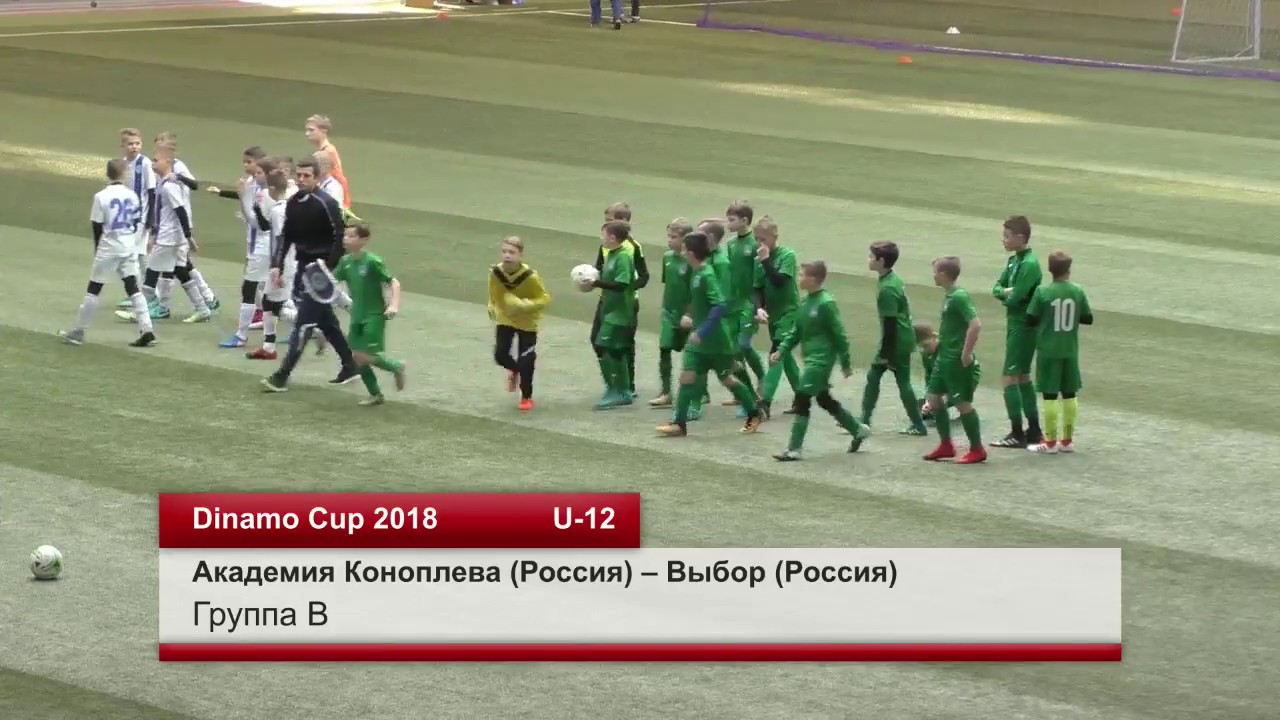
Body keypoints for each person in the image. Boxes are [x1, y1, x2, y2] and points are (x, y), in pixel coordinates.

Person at [260, 157, 358, 392]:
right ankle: (350, 365)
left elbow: (339, 237)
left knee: (303, 323)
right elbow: (286, 236)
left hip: (319, 271)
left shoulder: (325, 203)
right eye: (299, 175)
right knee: (326, 321)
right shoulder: (294, 203)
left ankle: (282, 375)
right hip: (303, 267)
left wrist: (328, 267)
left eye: (307, 176)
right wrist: (277, 265)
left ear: (316, 178)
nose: (302, 179)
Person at [656, 232, 765, 438]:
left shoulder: (707, 274)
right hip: (698, 341)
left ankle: (754, 412)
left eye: (685, 249)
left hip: (715, 340)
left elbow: (719, 305)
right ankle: (679, 423)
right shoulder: (696, 272)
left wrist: (703, 331)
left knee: (727, 379)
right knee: (687, 377)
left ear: (690, 253)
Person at [771, 261, 869, 461]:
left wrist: (845, 363)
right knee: (823, 399)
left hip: (822, 360)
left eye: (802, 275)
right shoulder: (805, 302)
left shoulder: (825, 303)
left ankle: (794, 449)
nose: (799, 278)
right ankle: (857, 429)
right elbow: (796, 331)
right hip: (811, 359)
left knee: (802, 397)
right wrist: (781, 351)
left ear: (813, 279)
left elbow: (840, 334)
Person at [60, 159, 156, 348]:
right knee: (133, 288)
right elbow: (135, 221)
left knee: (94, 289)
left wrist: (98, 249)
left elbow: (97, 226)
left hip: (109, 247)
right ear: (124, 174)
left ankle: (78, 331)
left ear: (108, 174)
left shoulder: (101, 197)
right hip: (129, 246)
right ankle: (147, 330)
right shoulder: (133, 196)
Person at [855, 241, 927, 446]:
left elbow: (890, 323)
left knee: (877, 377)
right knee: (898, 380)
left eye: (871, 257)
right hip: (903, 338)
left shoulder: (887, 288)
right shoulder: (892, 279)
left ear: (881, 261)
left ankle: (864, 421)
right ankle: (917, 425)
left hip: (895, 340)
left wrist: (885, 353)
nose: (868, 259)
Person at [1025, 250, 1093, 454]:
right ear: (1068, 269)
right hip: (1070, 349)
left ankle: (1050, 443)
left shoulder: (1043, 292)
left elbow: (1030, 319)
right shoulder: (1077, 291)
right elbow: (1088, 318)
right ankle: (1067, 441)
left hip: (1048, 350)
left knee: (1050, 396)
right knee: (1070, 394)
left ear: (1050, 269)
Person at [333, 224, 406, 406]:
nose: (345, 239)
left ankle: (397, 367)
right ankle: (376, 395)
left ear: (364, 240)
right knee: (358, 358)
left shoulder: (373, 261)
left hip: (374, 315)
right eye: (345, 235)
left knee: (363, 356)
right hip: (356, 314)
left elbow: (394, 282)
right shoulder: (345, 262)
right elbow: (333, 281)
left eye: (351, 236)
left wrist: (394, 305)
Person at [923, 257, 986, 465]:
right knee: (933, 398)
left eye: (935, 272)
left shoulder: (959, 297)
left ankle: (977, 449)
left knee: (962, 403)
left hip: (956, 360)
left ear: (943, 275)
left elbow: (975, 324)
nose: (933, 275)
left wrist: (966, 353)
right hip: (944, 357)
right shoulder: (949, 296)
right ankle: (946, 445)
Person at [206, 146, 270, 348]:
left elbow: (256, 221)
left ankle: (241, 336)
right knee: (269, 292)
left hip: (262, 246)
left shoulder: (265, 192)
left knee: (251, 289)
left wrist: (243, 206)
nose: (246, 166)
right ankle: (306, 324)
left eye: (249, 162)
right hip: (259, 245)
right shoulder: (256, 185)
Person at [991, 215, 1043, 448]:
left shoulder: (1029, 264)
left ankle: (1017, 433)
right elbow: (996, 288)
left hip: (1023, 326)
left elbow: (1016, 298)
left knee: (1010, 377)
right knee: (1022, 376)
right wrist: (1005, 292)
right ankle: (1034, 430)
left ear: (1021, 238)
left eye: (1007, 236)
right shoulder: (1014, 261)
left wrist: (1006, 294)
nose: (1003, 240)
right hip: (1016, 325)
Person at [489, 236, 552, 411]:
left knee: (526, 361)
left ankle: (526, 396)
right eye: (504, 251)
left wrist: (524, 305)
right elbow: (493, 292)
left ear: (520, 255)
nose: (507, 255)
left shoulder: (530, 277)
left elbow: (544, 298)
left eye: (512, 252)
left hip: (527, 321)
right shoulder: (496, 272)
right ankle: (515, 370)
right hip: (506, 318)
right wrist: (492, 306)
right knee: (500, 355)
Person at [583, 221, 637, 409]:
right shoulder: (612, 254)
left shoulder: (623, 257)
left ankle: (619, 390)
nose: (602, 238)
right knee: (608, 346)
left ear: (612, 238)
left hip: (620, 311)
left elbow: (622, 284)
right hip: (609, 309)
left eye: (603, 235)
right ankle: (618, 389)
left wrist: (596, 283)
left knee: (607, 346)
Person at [752, 216, 800, 418]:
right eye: (756, 239)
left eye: (763, 239)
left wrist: (765, 260)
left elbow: (779, 281)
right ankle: (803, 397)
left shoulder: (787, 255)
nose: (759, 243)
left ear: (775, 236)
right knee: (785, 356)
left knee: (776, 354)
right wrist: (758, 308)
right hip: (773, 315)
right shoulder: (759, 259)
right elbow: (757, 289)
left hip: (790, 313)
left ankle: (765, 402)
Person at [246, 169, 293, 360]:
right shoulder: (286, 207)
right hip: (286, 262)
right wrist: (257, 210)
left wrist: (277, 266)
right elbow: (267, 228)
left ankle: (313, 326)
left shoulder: (278, 210)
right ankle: (269, 346)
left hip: (283, 264)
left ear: (272, 189)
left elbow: (281, 239)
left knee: (275, 304)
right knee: (268, 301)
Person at [649, 218, 693, 409]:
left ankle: (700, 392)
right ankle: (666, 392)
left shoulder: (691, 261)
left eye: (673, 237)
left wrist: (690, 313)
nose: (669, 240)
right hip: (669, 313)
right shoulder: (667, 258)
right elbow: (668, 284)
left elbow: (696, 290)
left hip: (688, 316)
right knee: (664, 348)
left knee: (693, 356)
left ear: (685, 239)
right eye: (668, 236)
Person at [723, 201, 764, 405]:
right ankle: (742, 391)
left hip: (749, 303)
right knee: (734, 349)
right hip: (733, 303)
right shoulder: (731, 244)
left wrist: (759, 306)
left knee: (744, 345)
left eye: (732, 220)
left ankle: (762, 378)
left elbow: (759, 278)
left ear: (744, 220)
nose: (728, 224)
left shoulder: (755, 244)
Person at [114, 128, 155, 311]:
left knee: (136, 254)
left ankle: (143, 293)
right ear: (123, 145)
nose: (134, 147)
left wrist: (151, 219)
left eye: (137, 143)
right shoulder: (123, 164)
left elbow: (152, 192)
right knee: (135, 254)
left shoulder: (144, 163)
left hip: (141, 217)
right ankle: (143, 292)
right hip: (127, 217)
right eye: (130, 144)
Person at [305, 114, 351, 208]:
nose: (307, 133)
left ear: (324, 131)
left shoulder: (328, 152)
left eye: (311, 130)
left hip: (333, 195)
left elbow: (338, 177)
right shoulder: (326, 150)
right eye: (307, 130)